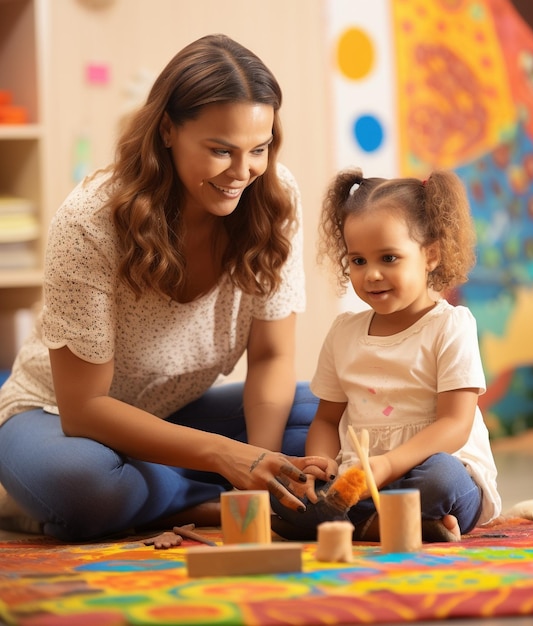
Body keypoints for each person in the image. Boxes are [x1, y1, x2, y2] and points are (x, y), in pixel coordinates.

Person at [0, 34, 331, 542]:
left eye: (258, 149)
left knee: (327, 407)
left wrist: (260, 469)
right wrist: (227, 455)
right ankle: (172, 498)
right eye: (221, 151)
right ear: (169, 130)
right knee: (85, 485)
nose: (242, 173)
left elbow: (271, 357)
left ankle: (176, 495)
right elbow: (83, 407)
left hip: (175, 415)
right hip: (57, 416)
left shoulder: (275, 197)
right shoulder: (90, 219)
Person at [271, 168, 502, 542]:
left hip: (436, 470)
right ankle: (393, 525)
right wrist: (322, 463)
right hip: (359, 481)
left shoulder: (450, 326)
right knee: (287, 491)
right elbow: (327, 421)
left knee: (442, 478)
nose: (372, 275)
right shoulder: (344, 332)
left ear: (431, 255)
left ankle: (367, 524)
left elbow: (455, 425)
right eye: (358, 261)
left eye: (389, 258)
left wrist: (390, 464)